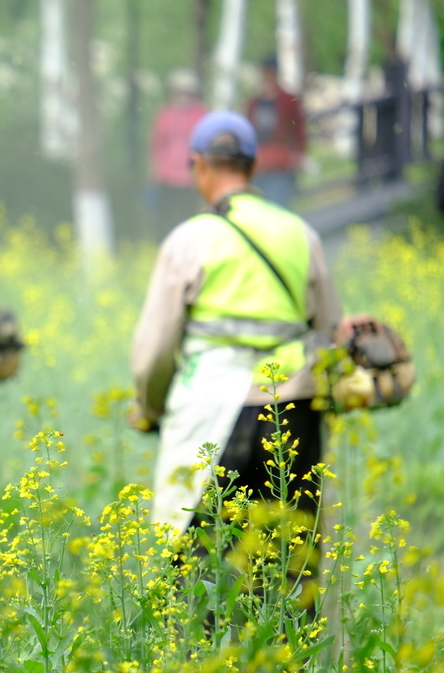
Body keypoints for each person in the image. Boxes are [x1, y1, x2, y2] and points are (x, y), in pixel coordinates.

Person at [129, 111, 342, 607]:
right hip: (292, 406)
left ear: (199, 166)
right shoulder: (299, 234)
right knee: (288, 564)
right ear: (252, 165)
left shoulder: (191, 238)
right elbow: (329, 329)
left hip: (213, 411)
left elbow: (156, 347)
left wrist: (150, 407)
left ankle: (201, 655)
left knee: (198, 559)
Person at [148, 69, 208, 240]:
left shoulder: (200, 113)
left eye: (186, 91)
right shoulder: (165, 113)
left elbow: (204, 145)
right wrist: (154, 172)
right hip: (167, 178)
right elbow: (156, 145)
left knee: (189, 218)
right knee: (166, 220)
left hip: (191, 179)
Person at [246, 55, 307, 208]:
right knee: (258, 206)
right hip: (259, 163)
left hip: (281, 163)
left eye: (271, 73)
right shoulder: (254, 102)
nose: (268, 77)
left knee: (278, 207)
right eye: (266, 73)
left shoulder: (289, 100)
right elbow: (248, 131)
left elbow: (298, 129)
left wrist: (298, 154)